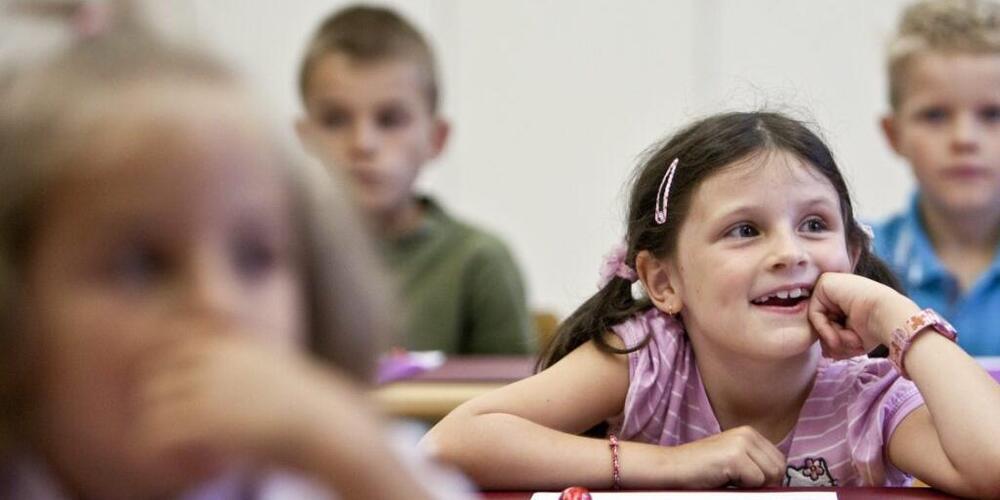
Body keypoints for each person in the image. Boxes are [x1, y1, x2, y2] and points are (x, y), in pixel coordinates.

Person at [0, 20, 468, 500]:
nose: (216, 303)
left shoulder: (320, 470)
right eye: (141, 264)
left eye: (254, 259)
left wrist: (354, 457)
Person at [423, 112, 1000, 497]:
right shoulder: (649, 360)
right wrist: (677, 464)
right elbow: (451, 444)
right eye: (745, 230)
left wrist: (897, 319)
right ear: (664, 281)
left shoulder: (867, 397)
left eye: (815, 225)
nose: (789, 252)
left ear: (851, 254)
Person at [295, 5, 535, 355]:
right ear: (305, 138)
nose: (363, 144)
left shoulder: (480, 261)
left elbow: (522, 403)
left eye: (390, 119)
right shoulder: (273, 261)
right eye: (335, 119)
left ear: (435, 139)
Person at [875, 0, 1000, 355]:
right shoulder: (854, 263)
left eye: (992, 114)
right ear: (893, 134)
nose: (964, 139)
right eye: (934, 115)